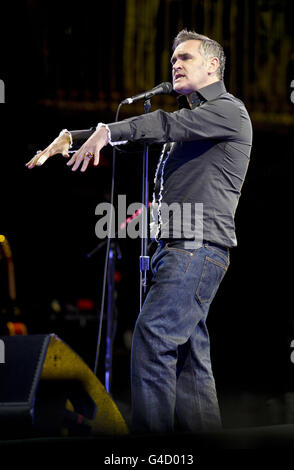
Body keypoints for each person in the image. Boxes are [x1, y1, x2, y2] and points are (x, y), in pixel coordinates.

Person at [26, 30, 252, 433]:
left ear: (213, 65)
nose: (175, 65)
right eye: (172, 61)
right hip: (180, 249)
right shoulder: (194, 122)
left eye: (185, 57)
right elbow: (144, 138)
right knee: (188, 360)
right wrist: (74, 138)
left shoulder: (228, 111)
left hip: (196, 247)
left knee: (152, 338)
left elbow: (163, 124)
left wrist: (106, 130)